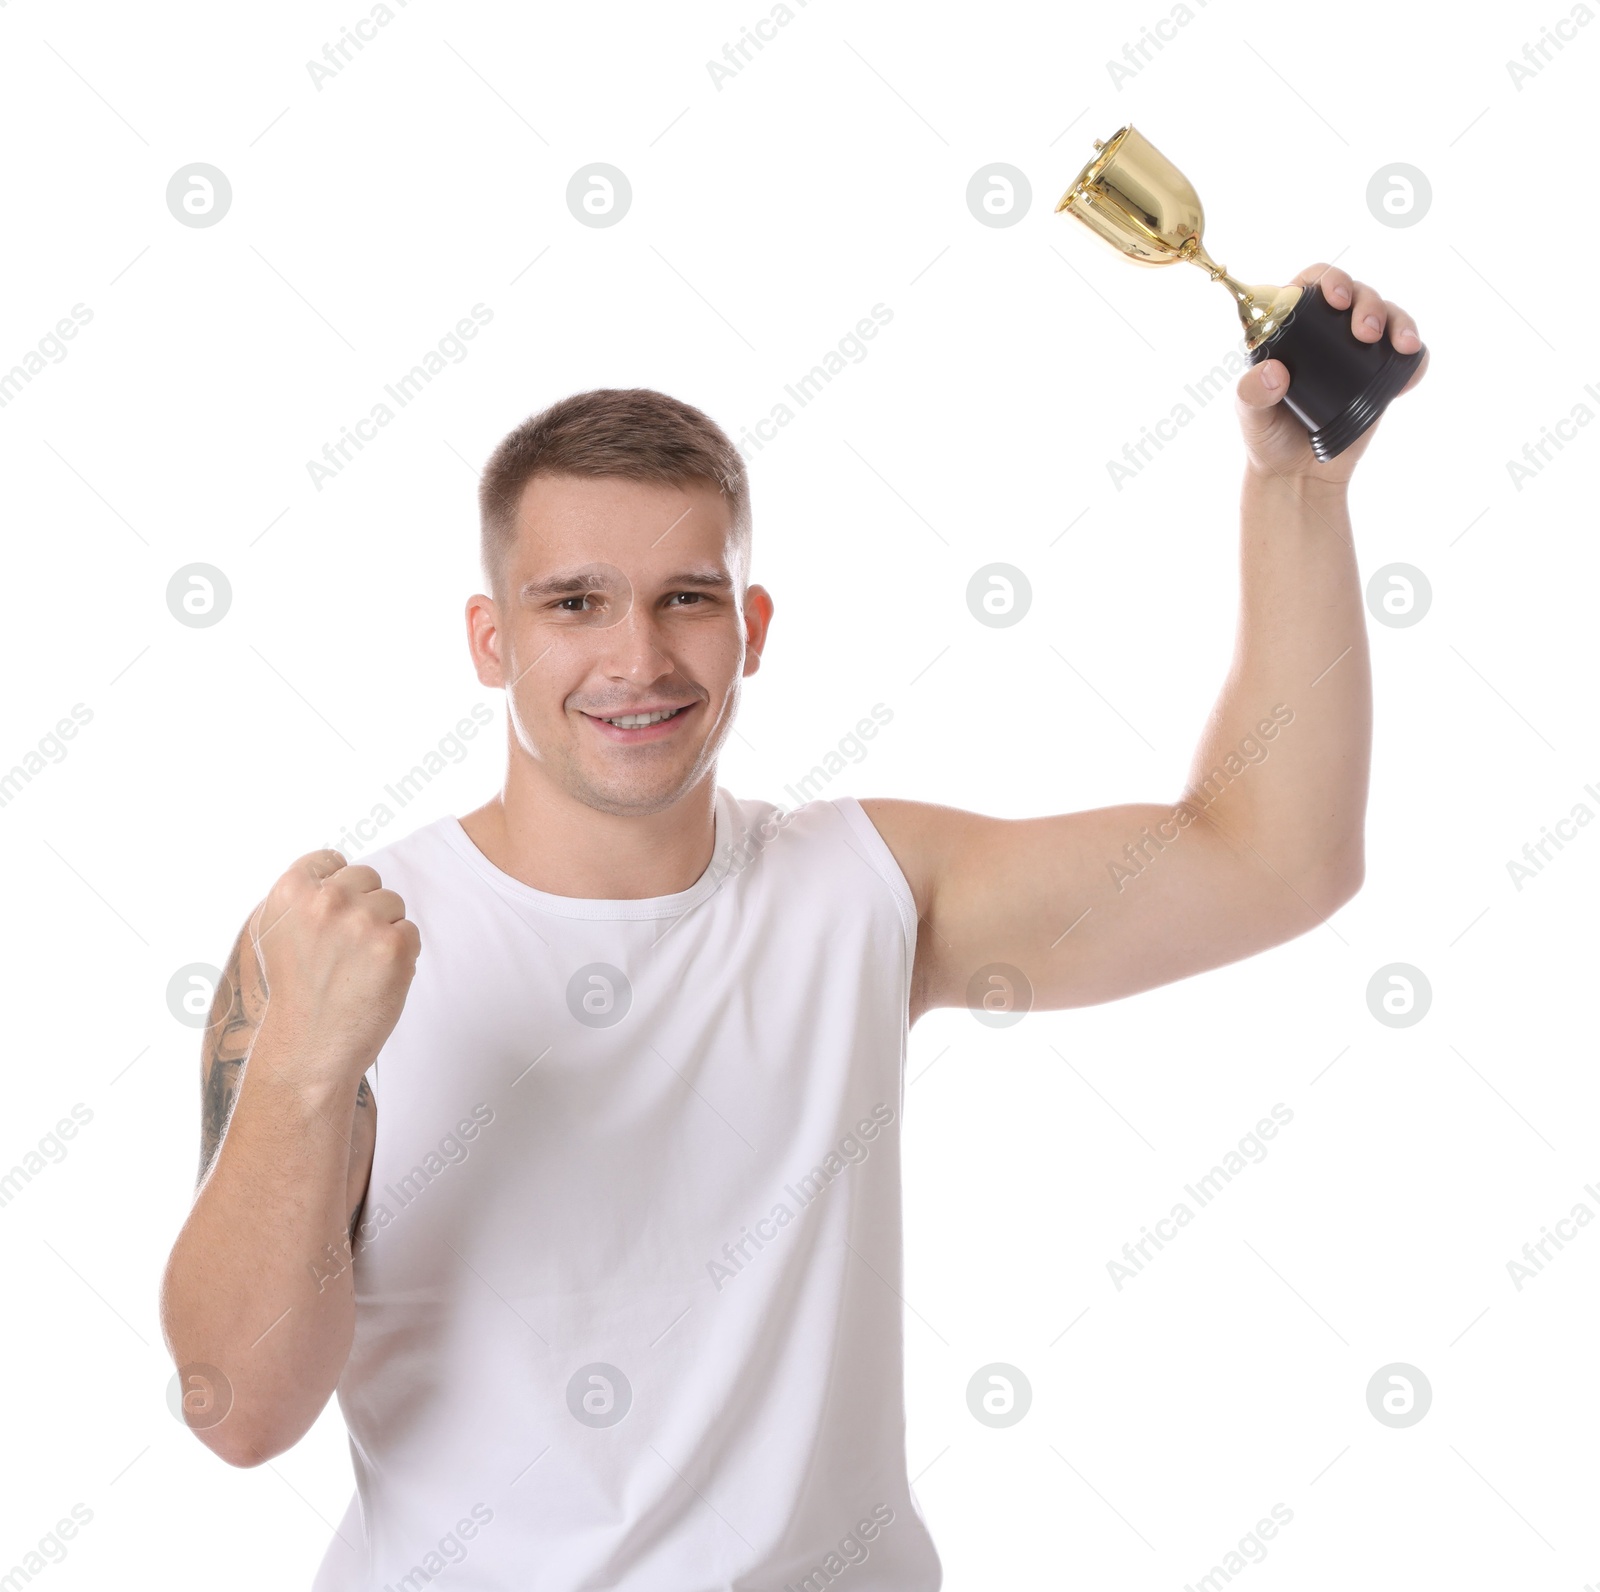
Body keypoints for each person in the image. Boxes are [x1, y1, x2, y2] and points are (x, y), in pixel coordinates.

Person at [160, 262, 1426, 1590]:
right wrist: (306, 1069)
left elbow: (1276, 861)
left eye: (687, 599)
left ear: (751, 627)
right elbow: (236, 1410)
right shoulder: (335, 950)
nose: (638, 659)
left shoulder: (866, 890)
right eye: (575, 602)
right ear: (492, 641)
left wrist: (1298, 490)